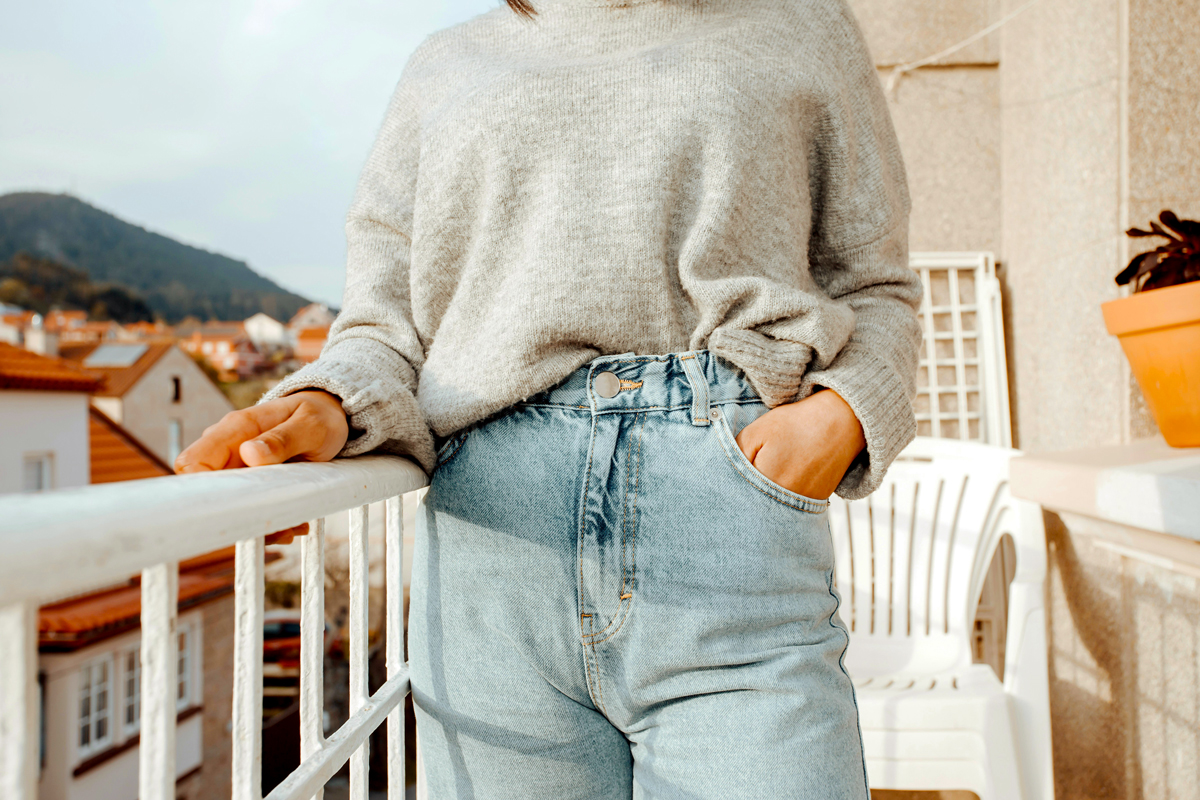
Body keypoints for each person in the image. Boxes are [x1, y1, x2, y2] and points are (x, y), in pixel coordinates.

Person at [176, 0, 924, 796]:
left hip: (730, 530)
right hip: (492, 555)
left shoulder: (802, 25)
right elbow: (384, 319)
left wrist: (840, 413)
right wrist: (334, 400)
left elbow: (875, 282)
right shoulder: (446, 65)